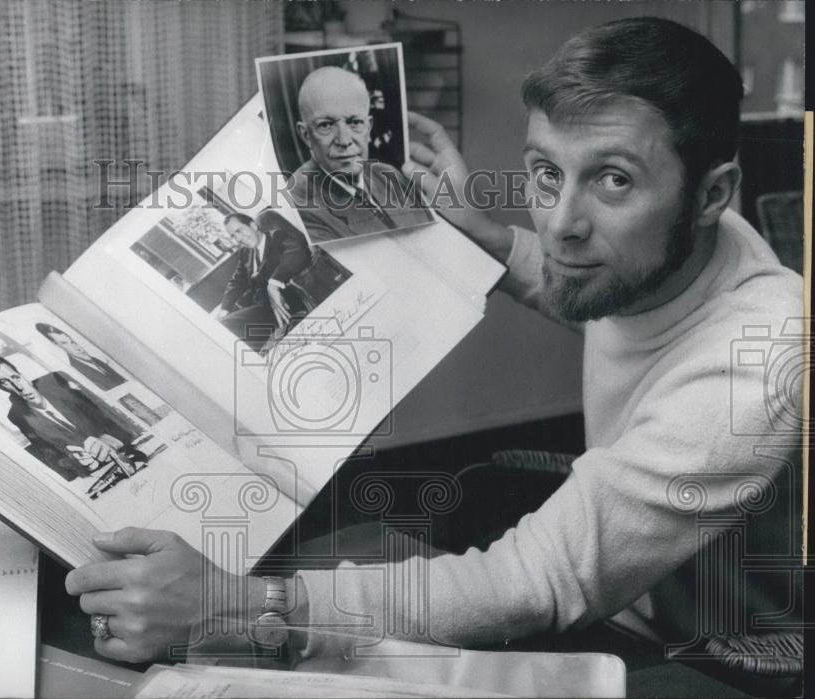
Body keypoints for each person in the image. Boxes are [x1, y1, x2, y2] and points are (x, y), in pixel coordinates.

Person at [64, 18, 802, 664]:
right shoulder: (676, 248)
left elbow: (533, 580)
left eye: (613, 180)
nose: (560, 223)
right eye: (547, 172)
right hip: (624, 593)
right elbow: (597, 297)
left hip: (709, 659)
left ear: (712, 194)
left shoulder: (758, 363)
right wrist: (482, 231)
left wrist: (242, 606)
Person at [286, 66, 434, 243]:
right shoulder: (296, 206)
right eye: (326, 125)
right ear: (306, 135)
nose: (344, 140)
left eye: (355, 122)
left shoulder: (389, 175)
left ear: (369, 127)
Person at [0, 350, 142, 483]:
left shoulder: (57, 381)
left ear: (21, 374)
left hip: (135, 453)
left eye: (15, 377)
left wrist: (115, 439)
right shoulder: (17, 416)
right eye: (5, 382)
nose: (19, 388)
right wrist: (75, 461)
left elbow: (114, 415)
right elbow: (54, 460)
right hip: (102, 475)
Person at [215, 211, 312, 353]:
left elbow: (298, 252)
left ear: (253, 226)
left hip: (284, 304)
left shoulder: (277, 237)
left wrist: (274, 283)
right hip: (261, 308)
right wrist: (225, 309)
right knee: (224, 331)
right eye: (233, 236)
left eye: (239, 231)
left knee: (227, 328)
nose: (238, 239)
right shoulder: (245, 253)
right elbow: (236, 282)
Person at [34, 322, 126, 392]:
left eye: (72, 342)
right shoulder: (75, 371)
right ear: (57, 346)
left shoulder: (97, 360)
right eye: (64, 343)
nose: (76, 347)